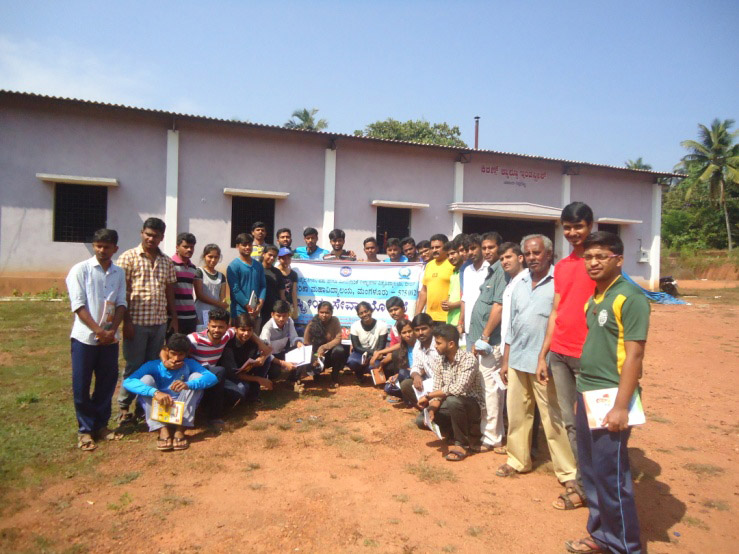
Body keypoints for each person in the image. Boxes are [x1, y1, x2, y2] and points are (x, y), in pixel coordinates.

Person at [565, 232, 650, 554]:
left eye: (601, 256)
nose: (593, 262)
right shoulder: (596, 298)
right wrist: (580, 396)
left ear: (619, 259)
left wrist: (621, 406)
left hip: (611, 397)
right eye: (588, 257)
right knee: (591, 472)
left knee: (612, 477)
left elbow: (635, 356)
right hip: (588, 394)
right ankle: (601, 535)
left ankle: (625, 546)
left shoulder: (629, 297)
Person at [496, 236, 578, 504]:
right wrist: (505, 360)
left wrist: (547, 358)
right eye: (528, 253)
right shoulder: (519, 284)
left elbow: (561, 322)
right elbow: (511, 326)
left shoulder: (558, 283)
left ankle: (568, 471)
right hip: (517, 359)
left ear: (549, 254)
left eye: (537, 253)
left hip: (544, 362)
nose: (532, 258)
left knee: (553, 418)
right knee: (517, 414)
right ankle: (518, 460)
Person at [536, 202, 595, 511]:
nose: (573, 233)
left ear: (590, 225)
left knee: (591, 424)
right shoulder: (562, 266)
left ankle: (590, 486)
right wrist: (543, 355)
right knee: (571, 423)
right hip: (559, 354)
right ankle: (583, 484)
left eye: (578, 226)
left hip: (590, 357)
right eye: (568, 228)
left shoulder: (599, 263)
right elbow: (556, 311)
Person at [65, 228, 127, 451]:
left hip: (110, 339)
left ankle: (101, 425)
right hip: (85, 338)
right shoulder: (80, 270)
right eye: (98, 246)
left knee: (106, 383)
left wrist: (112, 330)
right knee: (81, 385)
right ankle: (85, 430)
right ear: (93, 246)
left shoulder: (118, 272)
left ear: (115, 249)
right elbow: (78, 305)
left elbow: (121, 303)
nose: (102, 250)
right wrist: (99, 331)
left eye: (106, 247)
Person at [116, 217, 178, 425]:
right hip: (136, 322)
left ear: (162, 237)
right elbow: (122, 292)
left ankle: (143, 406)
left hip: (159, 322)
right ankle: (124, 407)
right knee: (134, 365)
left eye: (156, 236)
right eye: (148, 234)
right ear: (142, 233)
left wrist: (173, 317)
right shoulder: (128, 258)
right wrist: (127, 322)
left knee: (153, 365)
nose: (151, 239)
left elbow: (169, 291)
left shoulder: (166, 261)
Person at [122, 333, 217, 451]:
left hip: (182, 411)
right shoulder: (154, 365)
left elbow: (212, 378)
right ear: (166, 351)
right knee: (146, 380)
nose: (176, 358)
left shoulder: (189, 364)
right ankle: (162, 429)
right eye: (173, 353)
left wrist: (188, 385)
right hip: (159, 410)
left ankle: (180, 430)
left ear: (186, 354)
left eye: (180, 354)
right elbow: (128, 381)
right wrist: (155, 392)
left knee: (196, 377)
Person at [417, 324, 484, 461]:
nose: (435, 346)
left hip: (472, 407)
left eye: (438, 343)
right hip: (452, 404)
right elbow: (437, 388)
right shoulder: (440, 361)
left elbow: (458, 389)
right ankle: (452, 433)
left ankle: (462, 444)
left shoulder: (468, 359)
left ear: (451, 344)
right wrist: (432, 409)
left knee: (452, 400)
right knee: (421, 420)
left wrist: (428, 396)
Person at [468, 231, 509, 453]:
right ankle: (491, 433)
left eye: (491, 247)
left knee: (491, 391)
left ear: (499, 248)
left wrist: (484, 337)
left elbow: (498, 307)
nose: (486, 251)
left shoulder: (501, 271)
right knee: (485, 390)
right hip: (480, 342)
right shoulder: (491, 271)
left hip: (490, 344)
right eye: (484, 248)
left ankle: (491, 438)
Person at [187, 307, 235, 428]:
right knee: (219, 371)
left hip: (212, 379)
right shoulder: (195, 339)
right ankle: (214, 417)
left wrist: (261, 345)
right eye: (213, 326)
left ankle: (204, 407)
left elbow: (238, 330)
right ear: (208, 325)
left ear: (227, 327)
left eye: (221, 327)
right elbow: (171, 348)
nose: (216, 330)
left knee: (238, 393)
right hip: (196, 376)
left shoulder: (226, 336)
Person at [219, 313, 274, 403]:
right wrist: (259, 379)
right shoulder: (229, 346)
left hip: (245, 371)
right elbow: (234, 374)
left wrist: (262, 358)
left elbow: (269, 349)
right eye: (243, 330)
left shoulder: (253, 341)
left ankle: (254, 393)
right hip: (231, 376)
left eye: (249, 330)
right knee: (240, 391)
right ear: (235, 329)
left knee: (267, 359)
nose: (246, 333)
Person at [303, 301, 348, 388]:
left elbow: (338, 338)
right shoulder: (312, 323)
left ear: (331, 313)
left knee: (339, 350)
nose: (324, 315)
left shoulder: (335, 321)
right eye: (321, 312)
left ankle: (335, 378)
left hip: (330, 354)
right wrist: (313, 358)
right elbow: (306, 343)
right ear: (318, 312)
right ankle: (316, 373)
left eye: (327, 313)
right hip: (316, 356)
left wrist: (323, 347)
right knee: (313, 369)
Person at [399, 313, 438, 410]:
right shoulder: (418, 345)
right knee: (406, 384)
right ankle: (426, 410)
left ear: (432, 328)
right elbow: (416, 366)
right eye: (417, 330)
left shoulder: (439, 344)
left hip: (444, 386)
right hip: (430, 384)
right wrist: (416, 376)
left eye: (424, 329)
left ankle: (435, 411)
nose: (420, 333)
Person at [226, 233, 266, 326]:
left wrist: (260, 304)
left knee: (255, 334)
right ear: (237, 246)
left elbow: (263, 286)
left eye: (250, 244)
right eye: (244, 245)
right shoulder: (233, 266)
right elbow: (235, 290)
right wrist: (248, 305)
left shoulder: (258, 265)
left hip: (256, 311)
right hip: (239, 312)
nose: (247, 247)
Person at [260, 300, 303, 379]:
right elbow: (266, 354)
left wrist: (298, 342)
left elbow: (294, 337)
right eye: (278, 316)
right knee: (275, 371)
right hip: (271, 357)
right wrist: (283, 363)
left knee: (300, 352)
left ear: (288, 315)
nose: (281, 319)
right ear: (272, 314)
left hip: (282, 352)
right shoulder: (267, 329)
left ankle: (293, 380)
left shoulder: (289, 321)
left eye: (284, 316)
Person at [415, 233, 454, 323]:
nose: (434, 250)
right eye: (432, 248)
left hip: (448, 317)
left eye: (437, 247)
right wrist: (418, 313)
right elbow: (424, 291)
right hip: (430, 318)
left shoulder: (453, 264)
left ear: (446, 247)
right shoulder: (429, 265)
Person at [347, 301, 388, 379]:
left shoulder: (382, 325)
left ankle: (373, 375)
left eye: (366, 311)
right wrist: (368, 354)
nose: (364, 314)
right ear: (358, 315)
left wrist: (371, 357)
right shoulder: (355, 326)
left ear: (371, 310)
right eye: (361, 313)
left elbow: (381, 347)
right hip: (360, 353)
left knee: (374, 366)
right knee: (352, 361)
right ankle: (359, 375)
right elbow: (356, 347)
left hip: (376, 354)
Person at [459, 234, 489, 340]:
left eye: (473, 248)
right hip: (469, 327)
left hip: (486, 328)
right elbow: (465, 299)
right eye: (467, 250)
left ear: (481, 248)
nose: (470, 252)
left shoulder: (490, 268)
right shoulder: (467, 270)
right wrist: (460, 322)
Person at [171, 232, 200, 336]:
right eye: (185, 247)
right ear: (177, 247)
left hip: (190, 316)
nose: (189, 250)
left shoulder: (193, 268)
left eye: (192, 247)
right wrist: (173, 316)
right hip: (175, 317)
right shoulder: (170, 264)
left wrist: (195, 315)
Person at [194, 243, 228, 329]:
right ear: (204, 256)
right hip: (201, 311)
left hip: (215, 314)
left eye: (216, 257)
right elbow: (200, 295)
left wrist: (223, 304)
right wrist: (219, 304)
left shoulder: (221, 276)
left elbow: (222, 297)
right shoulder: (199, 272)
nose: (213, 260)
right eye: (210, 257)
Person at [382, 319, 417, 403]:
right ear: (400, 334)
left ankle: (411, 399)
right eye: (404, 333)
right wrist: (395, 376)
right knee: (388, 387)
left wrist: (399, 375)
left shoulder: (419, 345)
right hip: (407, 375)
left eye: (410, 331)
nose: (408, 335)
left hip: (419, 375)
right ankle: (407, 396)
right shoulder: (404, 347)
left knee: (402, 374)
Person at [368, 296, 408, 368]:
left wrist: (380, 352)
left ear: (403, 309)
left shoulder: (410, 322)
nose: (393, 313)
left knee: (395, 355)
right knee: (376, 366)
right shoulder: (394, 327)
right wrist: (382, 362)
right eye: (390, 311)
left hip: (411, 355)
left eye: (396, 309)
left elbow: (403, 344)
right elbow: (392, 348)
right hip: (399, 355)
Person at [442, 240, 463, 327]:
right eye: (447, 255)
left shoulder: (467, 272)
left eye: (453, 253)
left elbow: (470, 298)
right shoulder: (454, 273)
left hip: (461, 321)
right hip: (451, 320)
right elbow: (452, 295)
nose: (450, 257)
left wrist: (453, 305)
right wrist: (446, 303)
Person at [260, 245, 283, 324]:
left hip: (273, 310)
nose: (272, 258)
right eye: (270, 255)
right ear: (263, 254)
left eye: (274, 256)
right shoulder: (256, 269)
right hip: (259, 309)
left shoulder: (277, 272)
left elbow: (281, 293)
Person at [276, 247, 299, 317]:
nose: (286, 261)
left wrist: (295, 309)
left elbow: (294, 292)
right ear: (279, 259)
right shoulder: (275, 272)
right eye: (284, 258)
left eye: (288, 258)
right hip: (277, 306)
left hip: (289, 307)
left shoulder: (293, 274)